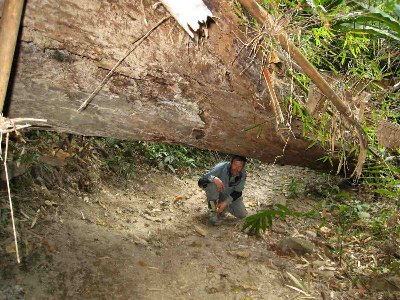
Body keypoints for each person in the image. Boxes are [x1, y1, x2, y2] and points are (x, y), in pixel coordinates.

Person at [198, 155, 247, 226]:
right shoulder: (221, 167)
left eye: (239, 167)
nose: (236, 169)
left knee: (243, 214)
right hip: (217, 192)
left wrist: (225, 203)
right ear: (230, 163)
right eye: (234, 165)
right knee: (211, 186)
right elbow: (201, 181)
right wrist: (213, 178)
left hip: (228, 195)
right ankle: (213, 212)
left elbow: (238, 192)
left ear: (243, 167)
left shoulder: (243, 173)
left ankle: (223, 207)